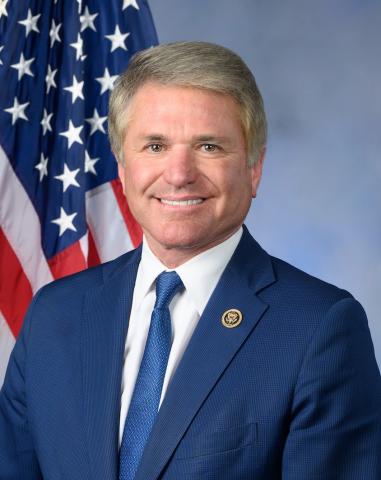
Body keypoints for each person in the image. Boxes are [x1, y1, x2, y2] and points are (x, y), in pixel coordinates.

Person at [0, 41, 380, 480]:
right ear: (123, 169)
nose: (179, 174)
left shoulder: (319, 329)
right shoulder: (54, 315)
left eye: (209, 147)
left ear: (254, 168)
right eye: (155, 146)